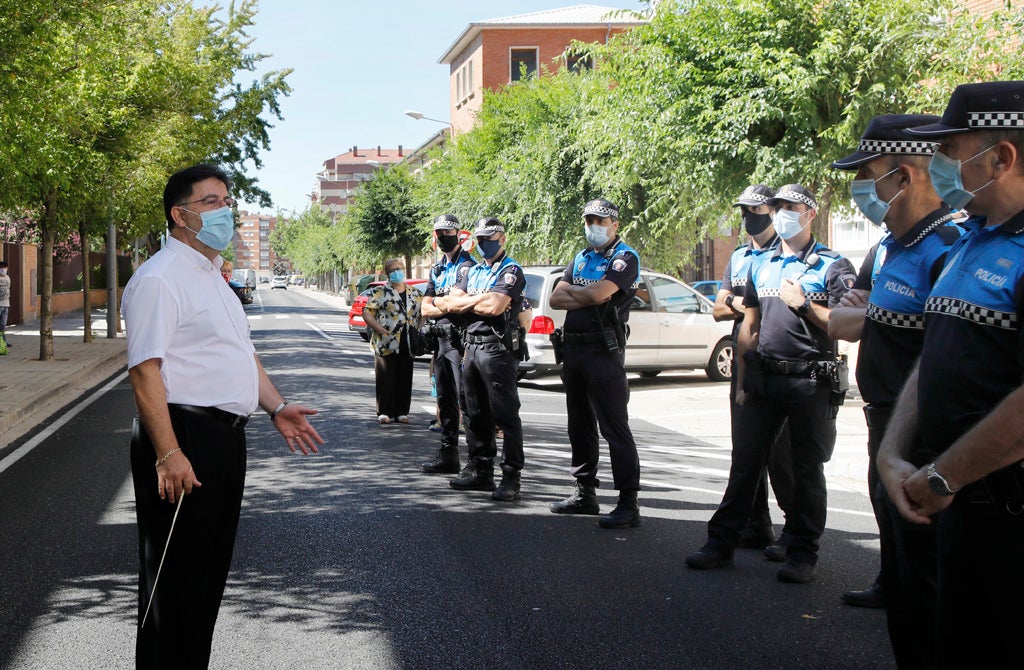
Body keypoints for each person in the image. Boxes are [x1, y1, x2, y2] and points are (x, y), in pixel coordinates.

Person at [122, 164, 323, 669]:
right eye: (210, 202)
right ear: (180, 215)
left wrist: (276, 407)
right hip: (183, 436)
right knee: (175, 585)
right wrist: (169, 453)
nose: (224, 211)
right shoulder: (160, 279)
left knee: (206, 582)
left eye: (227, 201)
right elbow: (145, 373)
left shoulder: (212, 278)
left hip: (223, 441)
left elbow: (240, 356)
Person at [877, 81, 1024, 667]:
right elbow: (935, 355)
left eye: (954, 152)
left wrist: (943, 477)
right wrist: (893, 451)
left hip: (1006, 518)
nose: (943, 168)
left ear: (1003, 158)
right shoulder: (971, 241)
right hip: (955, 507)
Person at [686, 184, 856, 584]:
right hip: (764, 378)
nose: (780, 213)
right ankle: (721, 543)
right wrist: (743, 381)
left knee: (805, 469)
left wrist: (804, 304)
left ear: (810, 214)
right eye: (776, 206)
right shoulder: (762, 264)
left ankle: (802, 552)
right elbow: (750, 325)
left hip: (809, 382)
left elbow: (846, 327)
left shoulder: (833, 266)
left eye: (789, 207)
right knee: (745, 464)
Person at [547, 198, 642, 528]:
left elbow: (599, 294)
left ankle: (628, 503)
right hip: (574, 351)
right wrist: (581, 293)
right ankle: (584, 493)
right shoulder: (581, 257)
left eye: (601, 221)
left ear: (615, 224)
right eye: (589, 220)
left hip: (603, 351)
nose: (594, 227)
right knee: (580, 424)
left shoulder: (624, 257)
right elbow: (554, 298)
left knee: (614, 426)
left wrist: (578, 292)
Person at [713, 185, 795, 552]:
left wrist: (740, 303)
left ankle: (794, 525)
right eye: (743, 210)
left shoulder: (788, 250)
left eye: (754, 209)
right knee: (746, 446)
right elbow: (717, 308)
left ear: (771, 210)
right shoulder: (741, 255)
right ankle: (756, 522)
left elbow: (786, 307)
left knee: (783, 451)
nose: (748, 217)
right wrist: (742, 303)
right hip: (746, 356)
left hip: (779, 353)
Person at [433, 217, 526, 502]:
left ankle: (511, 476)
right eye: (481, 238)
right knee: (473, 414)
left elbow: (496, 306)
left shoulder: (510, 269)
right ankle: (481, 470)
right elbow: (448, 303)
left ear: (502, 239)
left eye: (491, 238)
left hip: (497, 349)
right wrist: (479, 299)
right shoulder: (474, 272)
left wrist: (470, 302)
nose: (485, 243)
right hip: (470, 347)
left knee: (505, 416)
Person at [420, 214, 475, 473]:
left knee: (466, 400)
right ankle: (448, 454)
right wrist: (442, 303)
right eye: (439, 233)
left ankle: (476, 462)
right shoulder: (438, 268)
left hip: (459, 338)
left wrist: (439, 303)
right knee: (445, 398)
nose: (443, 237)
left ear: (458, 234)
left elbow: (455, 302)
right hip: (440, 339)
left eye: (447, 232)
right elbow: (424, 307)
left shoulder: (467, 266)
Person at [363, 258, 423, 425]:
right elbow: (367, 312)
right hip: (386, 342)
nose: (397, 272)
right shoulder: (380, 292)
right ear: (388, 274)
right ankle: (384, 411)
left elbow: (423, 313)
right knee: (386, 376)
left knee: (405, 377)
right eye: (393, 270)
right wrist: (379, 329)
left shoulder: (415, 293)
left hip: (408, 342)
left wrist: (418, 329)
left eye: (399, 268)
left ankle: (402, 412)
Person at [0, 260, 10, 348]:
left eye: (4, 267)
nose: (3, 269)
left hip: (6, 304)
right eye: (1, 268)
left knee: (3, 325)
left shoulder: (7, 277)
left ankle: (3, 342)